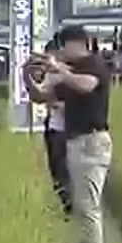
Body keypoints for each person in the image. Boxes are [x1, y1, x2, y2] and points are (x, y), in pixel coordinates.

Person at [26, 25, 111, 243]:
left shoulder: (94, 65)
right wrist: (26, 76)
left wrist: (59, 69)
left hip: (92, 142)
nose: (61, 52)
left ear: (76, 44)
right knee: (81, 205)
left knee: (88, 208)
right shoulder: (70, 73)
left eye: (63, 46)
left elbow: (86, 86)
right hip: (75, 143)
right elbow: (41, 97)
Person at [36, 37, 72, 218]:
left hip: (70, 130)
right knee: (56, 169)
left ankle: (71, 206)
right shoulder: (50, 74)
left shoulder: (73, 73)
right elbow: (40, 95)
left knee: (66, 169)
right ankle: (65, 205)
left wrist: (54, 102)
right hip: (53, 126)